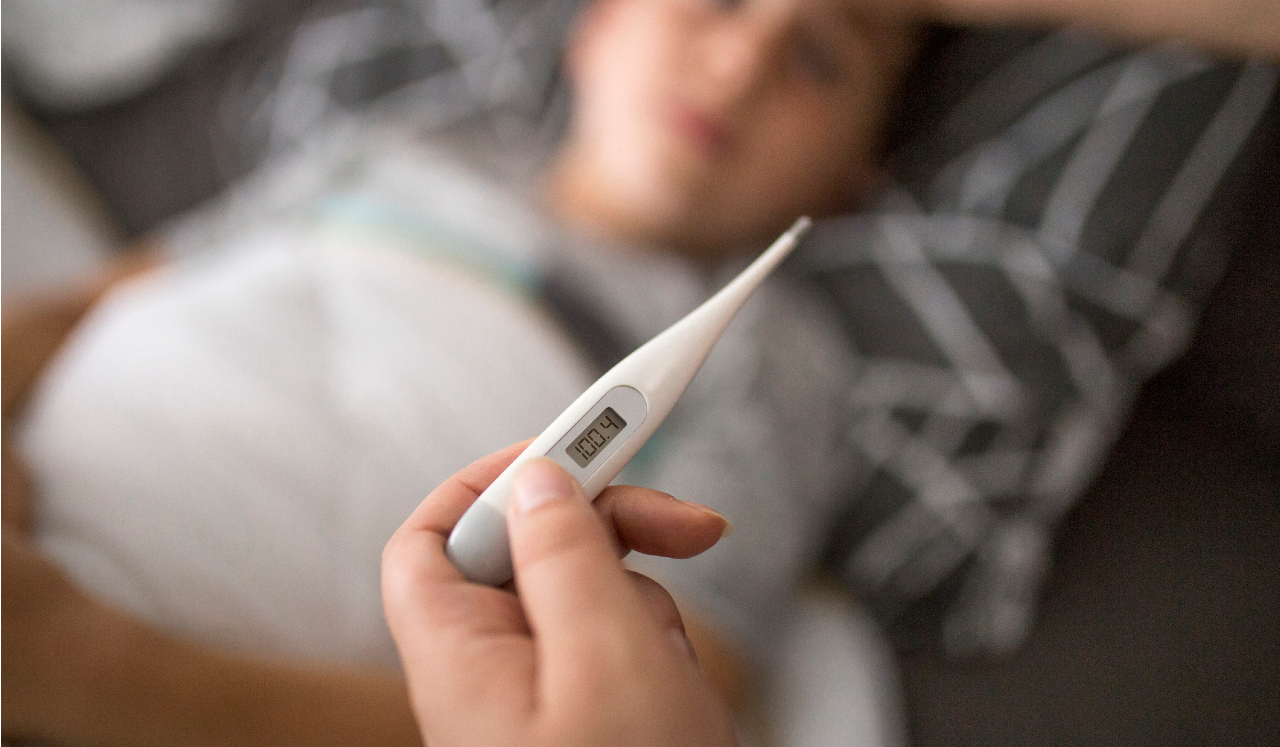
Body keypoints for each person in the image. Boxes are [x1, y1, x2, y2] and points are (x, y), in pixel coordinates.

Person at [3, 0, 920, 743]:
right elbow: (96, 297)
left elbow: (646, 691)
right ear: (596, 25)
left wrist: (100, 675)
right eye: (718, 1)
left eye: (820, 59)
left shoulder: (776, 356)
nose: (739, 68)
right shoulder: (410, 145)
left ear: (852, 174)